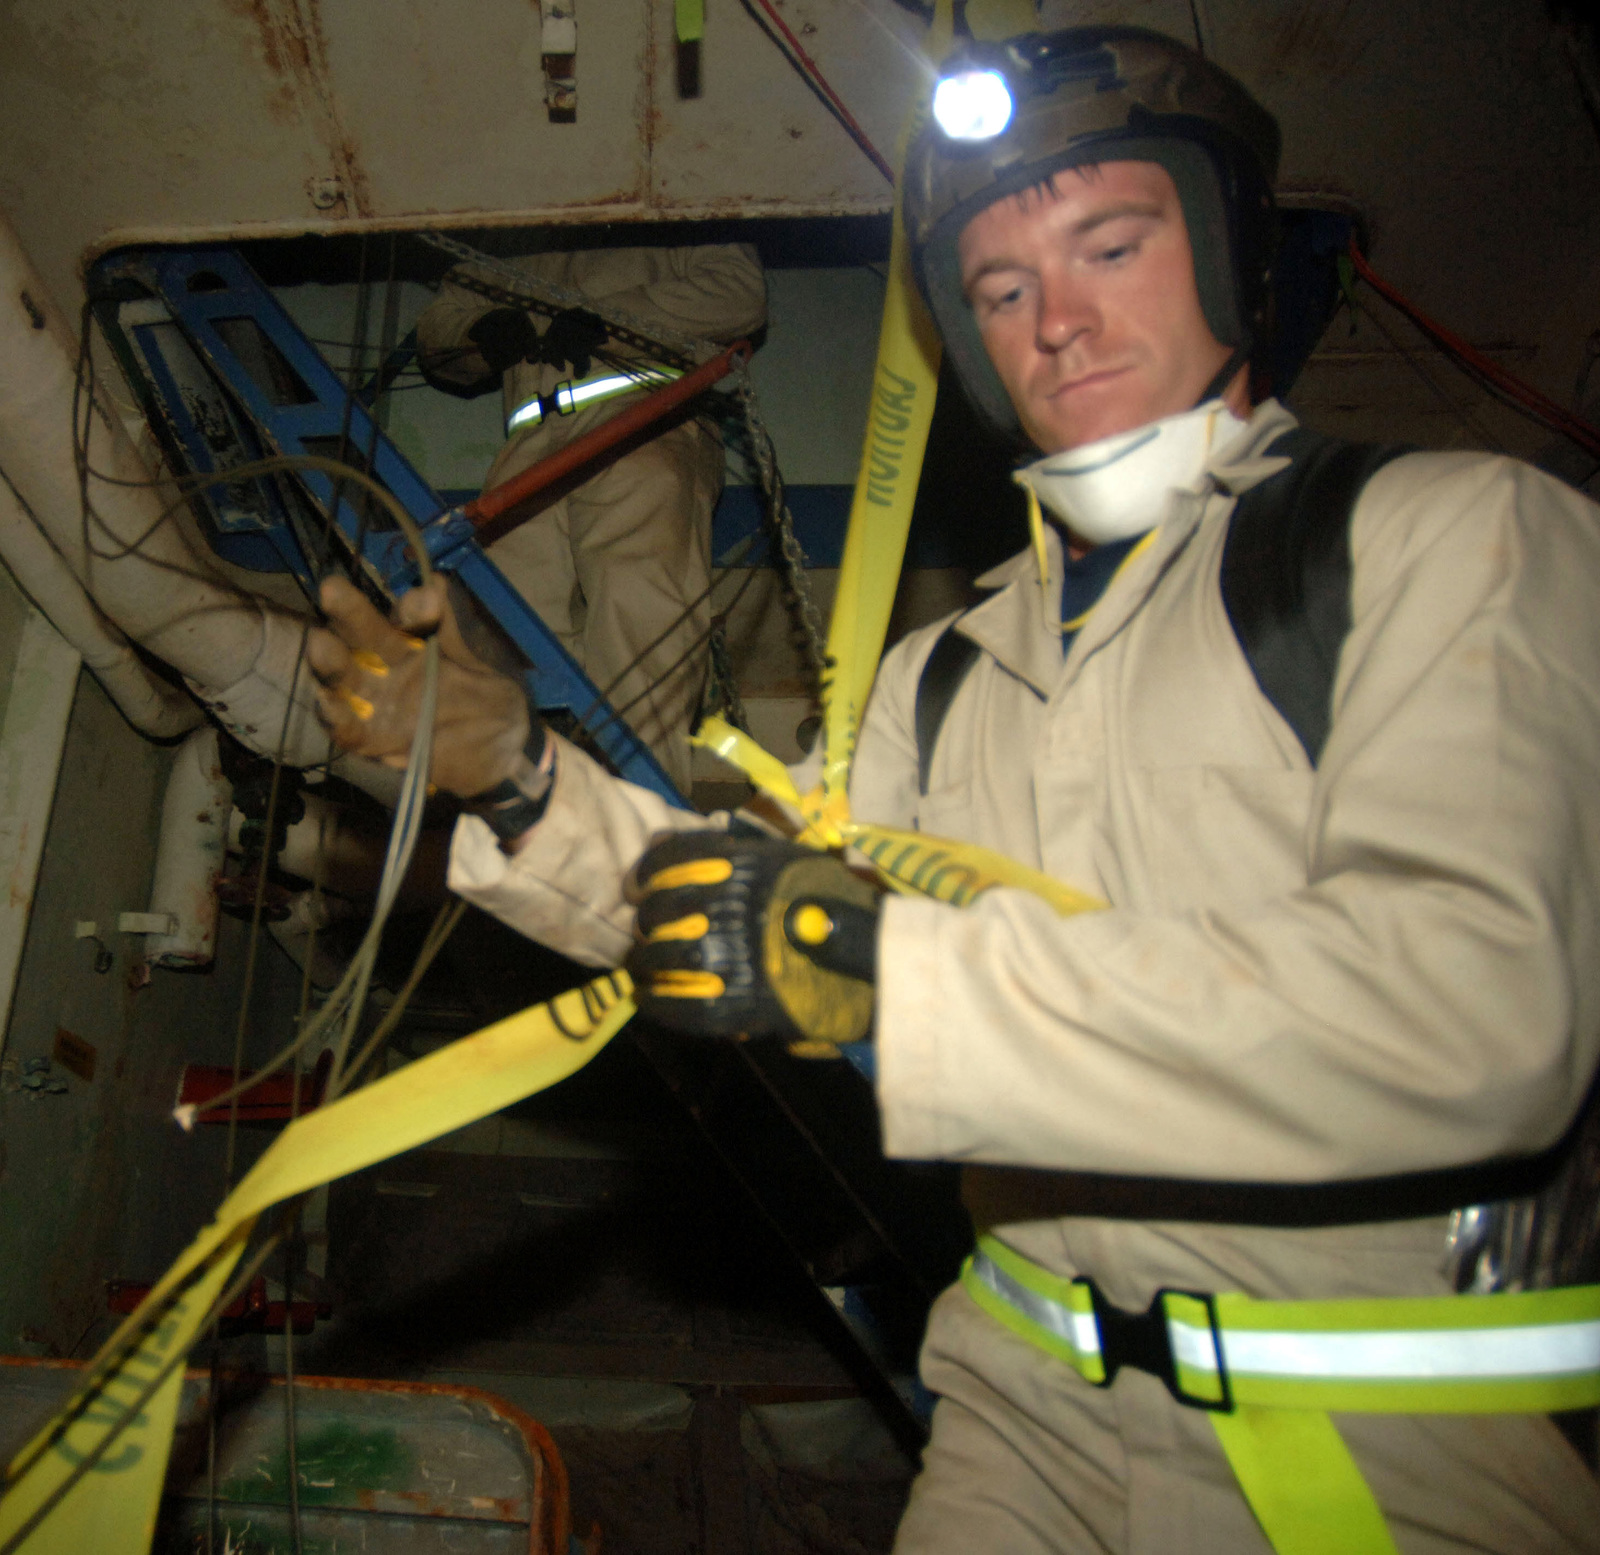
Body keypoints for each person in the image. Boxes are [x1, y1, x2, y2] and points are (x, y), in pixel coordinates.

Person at [310, 27, 1600, 1552]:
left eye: (1110, 245)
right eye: (1000, 287)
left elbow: (1476, 1007)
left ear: (1231, 252)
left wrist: (874, 974)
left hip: (1394, 1451)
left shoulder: (1449, 535)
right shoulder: (942, 672)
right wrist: (517, 773)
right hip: (1017, 1421)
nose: (1056, 316)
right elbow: (744, 905)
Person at [415, 241, 767, 794]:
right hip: (532, 439)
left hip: (645, 419)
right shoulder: (503, 247)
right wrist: (481, 332)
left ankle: (644, 801)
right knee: (507, 614)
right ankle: (535, 800)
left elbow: (740, 291)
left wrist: (611, 321)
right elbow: (439, 328)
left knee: (636, 596)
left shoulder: (677, 214)